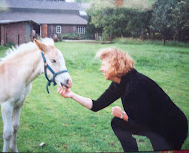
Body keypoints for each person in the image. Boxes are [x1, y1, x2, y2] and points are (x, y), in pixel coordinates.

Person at [57, 47, 188, 152]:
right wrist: (72, 95)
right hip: (154, 125)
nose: (101, 68)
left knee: (121, 121)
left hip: (171, 128)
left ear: (115, 65)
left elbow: (142, 124)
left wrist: (122, 115)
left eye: (104, 65)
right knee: (117, 123)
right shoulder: (119, 83)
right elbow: (96, 105)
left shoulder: (135, 86)